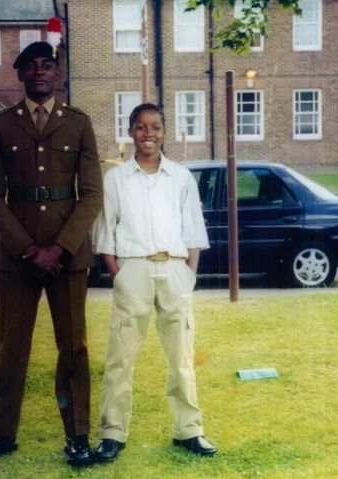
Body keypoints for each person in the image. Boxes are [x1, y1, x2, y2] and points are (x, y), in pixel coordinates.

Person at [0, 41, 102, 468]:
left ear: (56, 73)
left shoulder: (78, 123)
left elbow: (93, 194)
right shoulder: (3, 125)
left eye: (47, 65)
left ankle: (77, 436)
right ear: (20, 74)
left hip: (68, 256)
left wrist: (59, 247)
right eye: (31, 67)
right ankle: (0, 434)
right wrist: (28, 248)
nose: (40, 72)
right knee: (11, 348)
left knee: (73, 348)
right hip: (16, 257)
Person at [91, 103, 217, 462]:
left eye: (156, 127)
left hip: (174, 270)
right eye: (142, 127)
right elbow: (105, 235)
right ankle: (112, 433)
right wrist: (120, 276)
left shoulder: (180, 177)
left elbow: (193, 231)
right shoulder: (116, 179)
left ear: (165, 132)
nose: (149, 134)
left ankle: (189, 430)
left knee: (181, 357)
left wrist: (188, 274)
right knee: (121, 357)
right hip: (133, 271)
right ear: (130, 132)